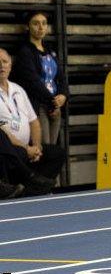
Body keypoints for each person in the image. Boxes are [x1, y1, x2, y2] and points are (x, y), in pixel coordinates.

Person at [0, 48, 64, 198]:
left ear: (10, 65)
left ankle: (29, 190)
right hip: (10, 150)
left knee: (56, 154)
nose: (1, 66)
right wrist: (26, 148)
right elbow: (3, 131)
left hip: (26, 148)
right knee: (8, 146)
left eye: (4, 62)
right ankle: (30, 178)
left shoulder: (18, 90)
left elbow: (34, 121)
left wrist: (36, 146)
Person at [10, 11, 68, 146]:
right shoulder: (25, 52)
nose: (41, 27)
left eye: (44, 23)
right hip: (39, 106)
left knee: (52, 148)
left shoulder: (50, 51)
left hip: (55, 107)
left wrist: (64, 95)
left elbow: (60, 77)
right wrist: (52, 102)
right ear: (27, 27)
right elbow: (33, 82)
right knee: (43, 148)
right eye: (36, 23)